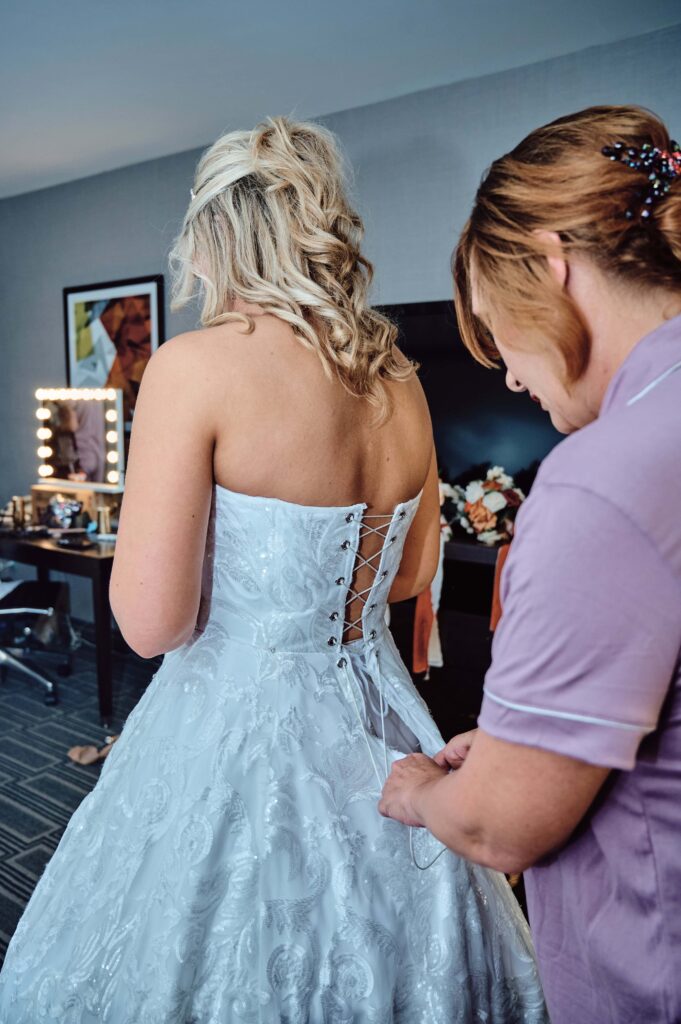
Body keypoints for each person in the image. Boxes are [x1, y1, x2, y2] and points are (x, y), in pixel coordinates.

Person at [0, 117, 547, 1022]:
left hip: (235, 725)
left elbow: (151, 624)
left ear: (214, 235)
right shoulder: (397, 379)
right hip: (377, 719)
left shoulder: (194, 368)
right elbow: (411, 577)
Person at [379, 105, 681, 1024]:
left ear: (550, 265)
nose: (508, 374)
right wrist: (526, 745)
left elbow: (500, 825)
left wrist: (429, 792)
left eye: (496, 329)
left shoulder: (603, 476)